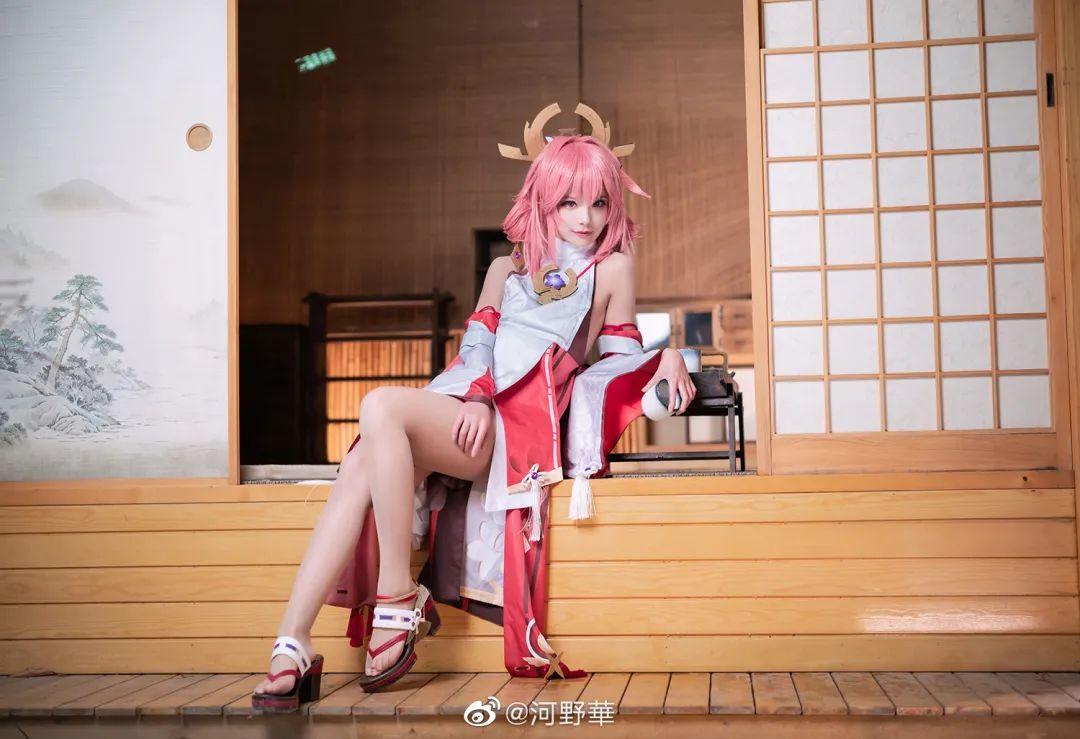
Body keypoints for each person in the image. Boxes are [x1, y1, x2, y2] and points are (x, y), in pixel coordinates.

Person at [251, 103, 696, 711]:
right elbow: (477, 347)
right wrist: (478, 395)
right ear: (543, 201)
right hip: (469, 402)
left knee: (380, 405)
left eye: (598, 202)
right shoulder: (505, 267)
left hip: (520, 424)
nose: (585, 218)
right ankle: (295, 641)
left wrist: (667, 357)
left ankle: (394, 596)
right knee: (359, 462)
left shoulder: (613, 268)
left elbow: (616, 359)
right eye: (569, 202)